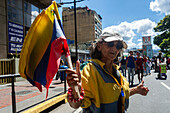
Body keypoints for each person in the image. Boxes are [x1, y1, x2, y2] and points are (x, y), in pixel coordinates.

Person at [66, 31, 149, 113]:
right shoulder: (90, 70)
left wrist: (136, 90)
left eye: (118, 46)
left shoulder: (116, 71)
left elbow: (119, 94)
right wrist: (75, 91)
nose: (114, 49)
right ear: (99, 46)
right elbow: (76, 104)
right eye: (110, 44)